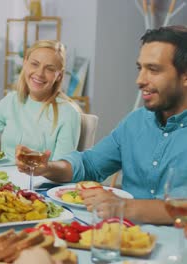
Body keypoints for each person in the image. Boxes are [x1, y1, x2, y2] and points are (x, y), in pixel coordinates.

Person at [16, 25, 187, 224]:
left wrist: (124, 207)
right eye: (140, 68)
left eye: (153, 70)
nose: (140, 80)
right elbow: (89, 164)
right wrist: (48, 167)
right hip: (122, 238)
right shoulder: (135, 122)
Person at [0, 40, 81, 160]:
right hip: (2, 177)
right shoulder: (12, 100)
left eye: (49, 69)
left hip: (39, 179)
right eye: (34, 64)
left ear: (59, 75)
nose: (39, 73)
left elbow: (62, 167)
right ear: (25, 63)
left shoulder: (68, 113)